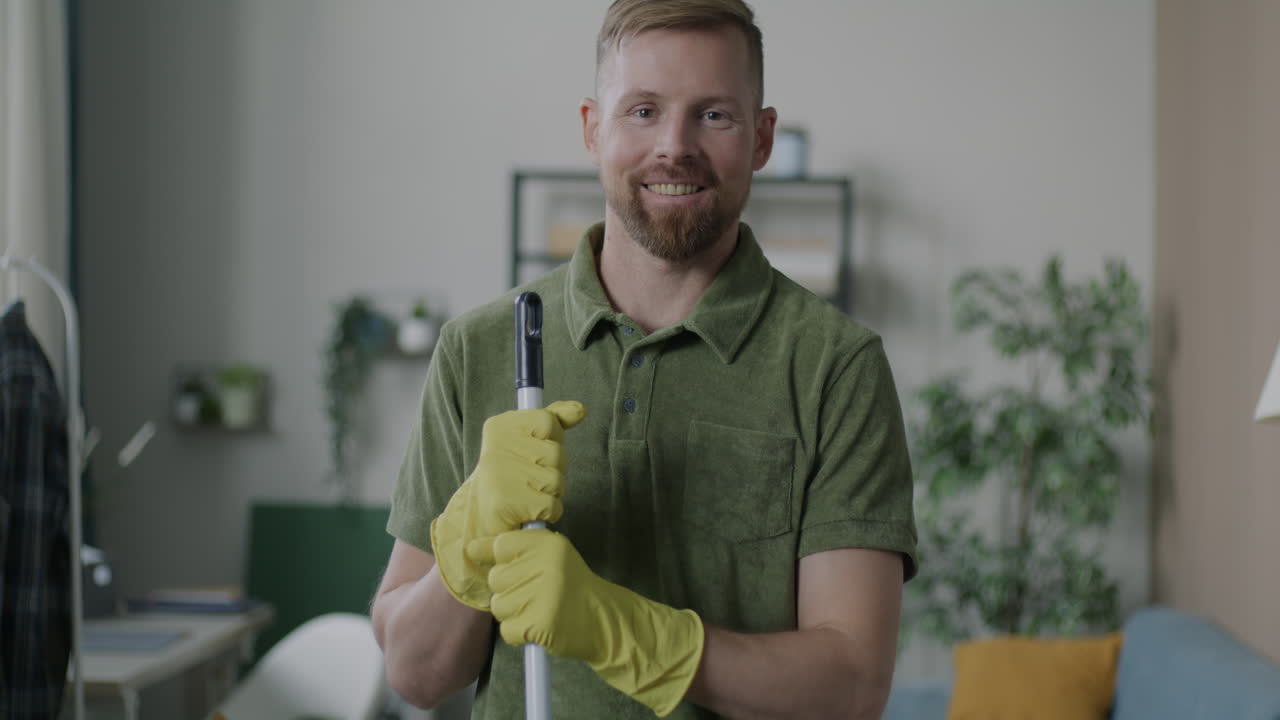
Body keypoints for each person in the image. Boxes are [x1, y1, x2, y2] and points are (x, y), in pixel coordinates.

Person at [371, 1, 918, 717]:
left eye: (713, 115)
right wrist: (471, 539)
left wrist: (627, 633)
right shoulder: (480, 347)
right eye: (642, 111)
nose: (674, 146)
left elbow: (852, 686)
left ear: (761, 138)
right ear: (593, 130)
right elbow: (412, 674)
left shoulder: (834, 367)